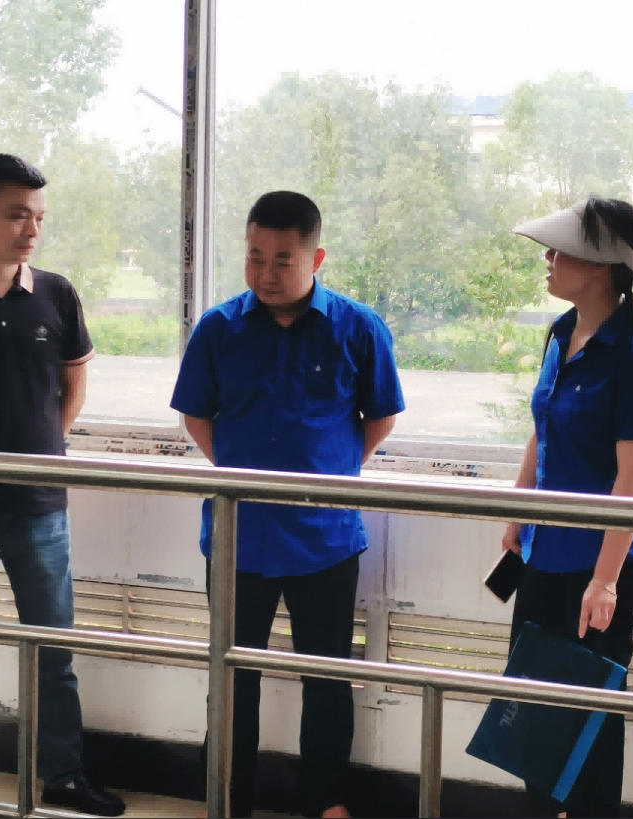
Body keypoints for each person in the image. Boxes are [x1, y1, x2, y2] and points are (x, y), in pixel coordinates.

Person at [170, 191, 405, 818]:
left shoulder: (358, 327)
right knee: (231, 677)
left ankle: (327, 802)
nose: (266, 274)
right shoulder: (218, 328)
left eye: (282, 261)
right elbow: (197, 415)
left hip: (325, 538)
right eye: (255, 257)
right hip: (238, 535)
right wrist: (240, 474)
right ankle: (227, 799)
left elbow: (380, 417)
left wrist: (332, 474)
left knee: (326, 679)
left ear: (316, 259)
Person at [0, 154, 125, 817]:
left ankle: (62, 777)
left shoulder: (57, 293)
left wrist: (42, 453)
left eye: (38, 217)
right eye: (17, 215)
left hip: (40, 506)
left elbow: (73, 383)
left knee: (53, 652)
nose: (31, 229)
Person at [501, 196, 633, 818]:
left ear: (600, 266)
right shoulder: (560, 334)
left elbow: (632, 481)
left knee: (590, 722)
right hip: (545, 554)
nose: (547, 258)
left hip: (601, 565)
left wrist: (605, 582)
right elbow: (541, 428)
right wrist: (519, 511)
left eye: (561, 250)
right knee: (533, 711)